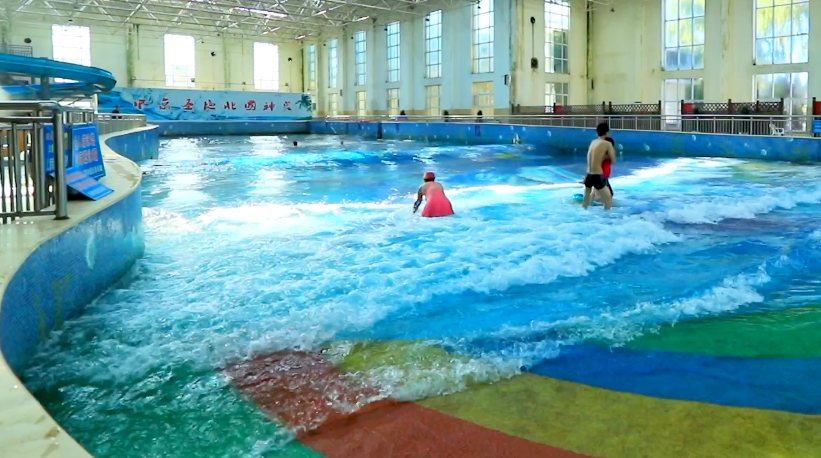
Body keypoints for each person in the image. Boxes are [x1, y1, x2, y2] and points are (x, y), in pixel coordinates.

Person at [582, 122, 616, 210]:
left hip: (588, 174)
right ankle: (606, 220)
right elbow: (613, 160)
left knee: (586, 202)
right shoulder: (607, 144)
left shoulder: (593, 142)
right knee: (608, 199)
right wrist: (605, 156)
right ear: (607, 132)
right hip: (597, 175)